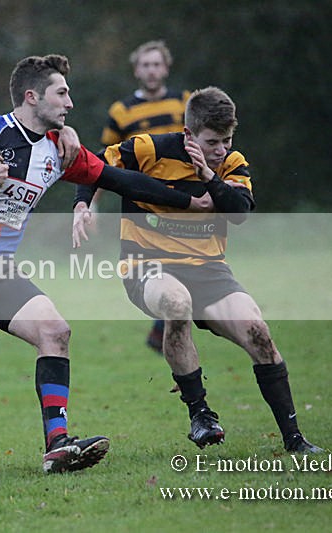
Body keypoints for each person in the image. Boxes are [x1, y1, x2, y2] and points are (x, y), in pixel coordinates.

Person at [0, 54, 212, 487]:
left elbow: (121, 179)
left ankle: (58, 444)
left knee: (55, 332)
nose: (70, 103)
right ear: (32, 97)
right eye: (62, 93)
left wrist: (189, 202)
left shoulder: (58, 149)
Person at [73, 86, 322, 454]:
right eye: (211, 142)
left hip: (209, 270)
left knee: (259, 334)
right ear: (189, 135)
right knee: (176, 302)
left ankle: (295, 440)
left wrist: (209, 174)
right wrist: (83, 206)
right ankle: (200, 413)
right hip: (147, 265)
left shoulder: (230, 163)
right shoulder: (148, 149)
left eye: (227, 140)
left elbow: (239, 213)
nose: (221, 149)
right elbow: (91, 166)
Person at [101, 40, 191, 353]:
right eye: (145, 65)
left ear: (166, 68)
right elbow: (105, 160)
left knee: (193, 263)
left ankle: (161, 328)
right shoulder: (121, 112)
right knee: (156, 265)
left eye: (157, 64)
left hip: (184, 199)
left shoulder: (185, 102)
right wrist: (92, 202)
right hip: (143, 201)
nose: (151, 70)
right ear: (137, 70)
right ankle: (162, 323)